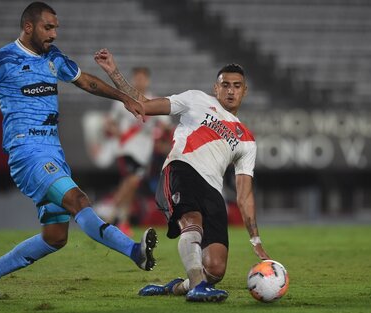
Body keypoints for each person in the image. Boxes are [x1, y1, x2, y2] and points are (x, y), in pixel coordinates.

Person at [0, 2, 157, 300]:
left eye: (56, 28)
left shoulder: (53, 58)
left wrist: (123, 97)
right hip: (27, 152)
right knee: (79, 200)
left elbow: (85, 80)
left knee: (55, 237)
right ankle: (135, 252)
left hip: (53, 151)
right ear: (28, 27)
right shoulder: (2, 59)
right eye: (48, 27)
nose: (53, 34)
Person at [95, 49, 270, 302]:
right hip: (181, 169)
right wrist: (115, 73)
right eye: (225, 85)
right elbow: (143, 103)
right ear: (216, 87)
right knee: (192, 222)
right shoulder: (195, 99)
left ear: (245, 91)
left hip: (213, 191)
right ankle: (198, 288)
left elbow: (244, 195)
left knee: (215, 270)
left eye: (237, 86)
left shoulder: (247, 140)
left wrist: (255, 239)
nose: (231, 90)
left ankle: (178, 287)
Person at [97, 67, 171, 236]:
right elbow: (109, 122)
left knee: (131, 183)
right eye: (137, 78)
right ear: (133, 80)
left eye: (143, 78)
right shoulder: (122, 101)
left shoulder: (153, 101)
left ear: (148, 80)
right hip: (127, 148)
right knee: (132, 180)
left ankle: (121, 219)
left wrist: (164, 132)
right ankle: (111, 213)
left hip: (144, 152)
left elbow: (166, 125)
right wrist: (115, 131)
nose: (140, 82)